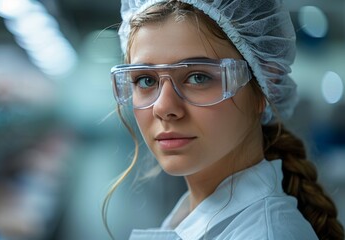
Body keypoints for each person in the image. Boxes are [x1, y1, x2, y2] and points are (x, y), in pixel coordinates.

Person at [103, 0, 344, 239]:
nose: (164, 107)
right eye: (145, 80)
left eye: (198, 77)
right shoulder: (193, 215)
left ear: (264, 87)